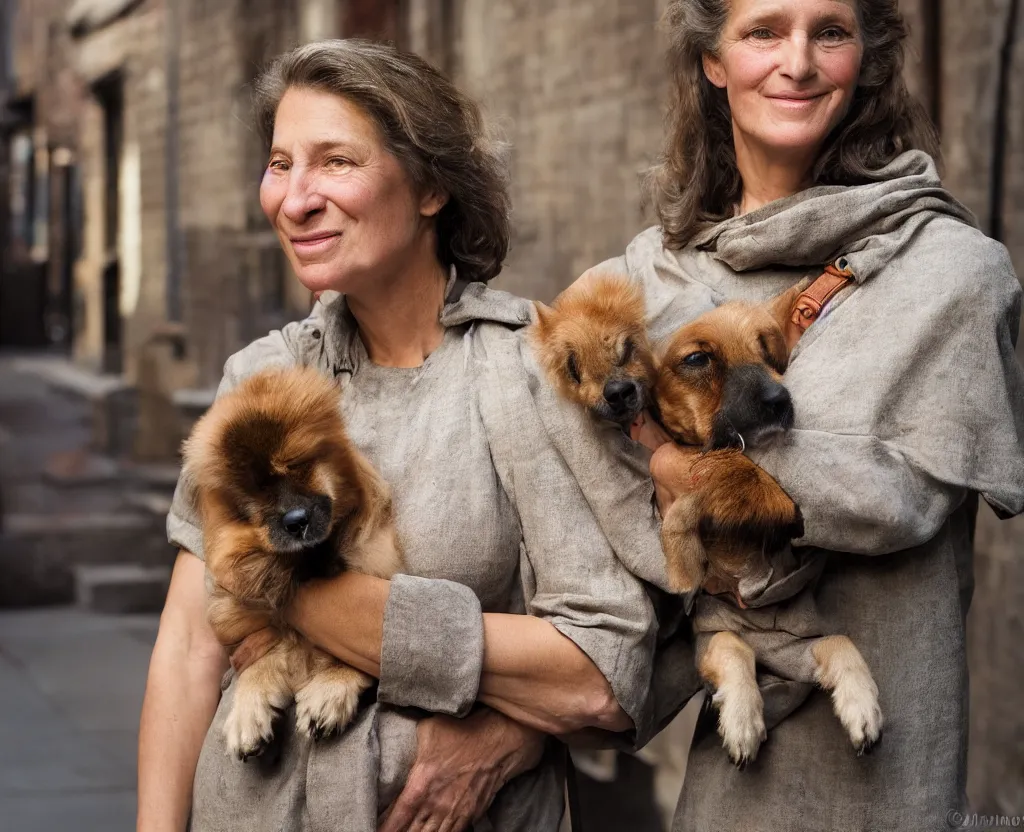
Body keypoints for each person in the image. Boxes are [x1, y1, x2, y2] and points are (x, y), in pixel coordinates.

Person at [136, 40, 665, 832]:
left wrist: (498, 732)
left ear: (430, 188)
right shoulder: (262, 376)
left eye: (335, 161)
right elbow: (187, 649)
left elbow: (601, 671)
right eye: (280, 164)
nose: (295, 198)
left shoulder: (523, 370)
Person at [569, 0, 1023, 829]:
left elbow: (901, 497)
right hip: (725, 790)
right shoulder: (651, 277)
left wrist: (683, 468)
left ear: (868, 56)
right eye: (764, 30)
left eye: (833, 32)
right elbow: (606, 525)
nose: (800, 61)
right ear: (714, 60)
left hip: (888, 788)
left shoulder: (952, 273)